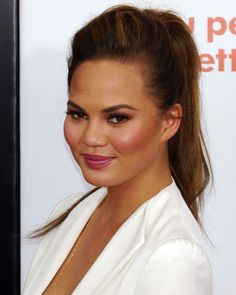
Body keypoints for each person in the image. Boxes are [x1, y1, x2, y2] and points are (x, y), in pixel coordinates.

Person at [23, 4, 213, 295]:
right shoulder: (73, 213)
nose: (91, 137)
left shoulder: (173, 257)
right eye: (78, 114)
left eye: (117, 118)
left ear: (169, 122)